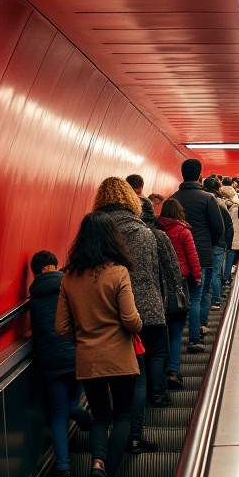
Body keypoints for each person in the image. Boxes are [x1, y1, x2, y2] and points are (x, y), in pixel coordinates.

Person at [56, 212, 142, 477]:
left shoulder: (69, 277)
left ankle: (97, 464)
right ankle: (109, 475)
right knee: (123, 416)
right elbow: (131, 319)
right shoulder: (118, 272)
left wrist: (85, 338)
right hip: (118, 356)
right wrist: (137, 325)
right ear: (112, 239)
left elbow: (61, 327)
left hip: (88, 359)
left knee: (100, 417)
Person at [92, 177, 168, 451]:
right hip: (142, 312)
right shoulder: (141, 230)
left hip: (101, 313)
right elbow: (149, 276)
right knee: (138, 378)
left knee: (106, 382)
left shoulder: (93, 228)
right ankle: (133, 435)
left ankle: (105, 438)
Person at [28, 250, 92, 477]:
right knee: (73, 403)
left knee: (58, 413)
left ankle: (63, 468)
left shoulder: (33, 299)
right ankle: (87, 421)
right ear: (51, 267)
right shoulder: (70, 286)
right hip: (76, 355)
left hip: (51, 362)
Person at [170, 159, 225, 351]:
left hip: (176, 257)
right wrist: (208, 244)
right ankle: (195, 337)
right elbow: (219, 227)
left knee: (179, 296)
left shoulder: (173, 198)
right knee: (198, 296)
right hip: (201, 253)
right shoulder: (207, 199)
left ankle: (175, 342)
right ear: (200, 176)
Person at [140, 195, 189, 404]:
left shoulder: (116, 236)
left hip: (125, 307)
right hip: (157, 304)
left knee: (139, 354)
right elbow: (172, 270)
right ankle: (158, 393)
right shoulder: (159, 236)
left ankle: (139, 399)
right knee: (158, 351)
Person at [158, 198, 201, 389]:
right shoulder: (184, 231)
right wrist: (197, 277)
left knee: (162, 329)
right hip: (178, 282)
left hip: (158, 284)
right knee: (176, 330)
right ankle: (173, 370)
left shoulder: (154, 231)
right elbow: (192, 255)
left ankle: (160, 372)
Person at [203, 175, 234, 308]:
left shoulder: (201, 201)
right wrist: (227, 242)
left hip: (203, 243)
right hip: (219, 243)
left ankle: (204, 299)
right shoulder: (220, 203)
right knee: (215, 273)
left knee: (203, 273)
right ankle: (215, 300)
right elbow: (228, 225)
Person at [217, 183, 239, 285]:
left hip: (220, 234)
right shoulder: (236, 206)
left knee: (221, 255)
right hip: (234, 233)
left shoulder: (217, 205)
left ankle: (220, 275)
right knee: (230, 253)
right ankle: (227, 276)